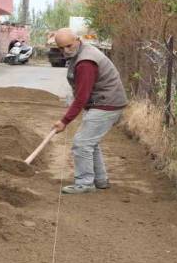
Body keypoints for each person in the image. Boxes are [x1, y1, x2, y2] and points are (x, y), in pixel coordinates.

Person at [51, 27, 128, 194]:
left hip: (107, 103)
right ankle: (100, 180)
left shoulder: (86, 62)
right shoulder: (81, 52)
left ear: (77, 40)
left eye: (69, 46)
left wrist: (65, 121)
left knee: (82, 143)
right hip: (105, 102)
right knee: (90, 142)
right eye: (61, 48)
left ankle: (84, 184)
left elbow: (82, 96)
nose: (65, 51)